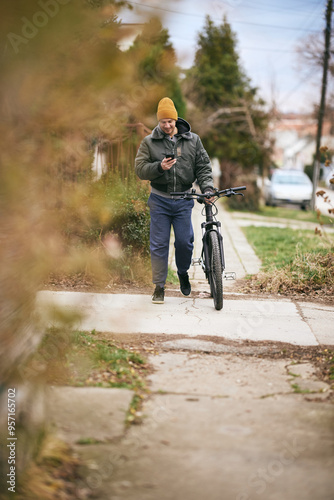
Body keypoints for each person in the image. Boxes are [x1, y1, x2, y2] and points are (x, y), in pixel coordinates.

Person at [135, 97, 214, 304]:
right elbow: (140, 169)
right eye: (163, 122)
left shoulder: (193, 140)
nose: (167, 125)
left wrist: (206, 187)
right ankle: (159, 287)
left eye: (170, 121)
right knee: (159, 245)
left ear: (175, 119)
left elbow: (203, 167)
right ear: (158, 122)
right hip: (159, 200)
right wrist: (159, 167)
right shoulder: (149, 142)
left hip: (183, 199)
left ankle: (182, 273)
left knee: (185, 242)